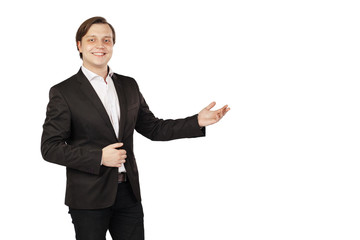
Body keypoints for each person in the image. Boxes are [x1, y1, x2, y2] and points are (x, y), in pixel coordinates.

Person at [41, 16, 230, 240]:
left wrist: (196, 121)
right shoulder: (64, 92)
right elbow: (50, 148)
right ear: (79, 45)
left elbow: (154, 128)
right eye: (92, 39)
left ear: (113, 45)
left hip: (128, 194)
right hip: (88, 198)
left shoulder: (129, 85)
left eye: (107, 40)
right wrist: (99, 157)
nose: (100, 45)